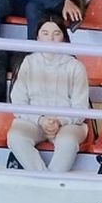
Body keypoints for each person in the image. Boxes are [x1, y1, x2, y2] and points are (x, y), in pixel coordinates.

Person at [7, 16, 92, 172]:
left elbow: (80, 108)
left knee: (68, 141)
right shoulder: (28, 62)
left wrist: (59, 120)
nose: (50, 38)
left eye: (56, 33)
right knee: (16, 137)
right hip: (33, 120)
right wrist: (40, 119)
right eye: (45, 33)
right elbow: (18, 101)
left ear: (64, 38)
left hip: (67, 123)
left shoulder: (76, 66)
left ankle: (48, 182)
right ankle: (45, 180)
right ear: (37, 37)